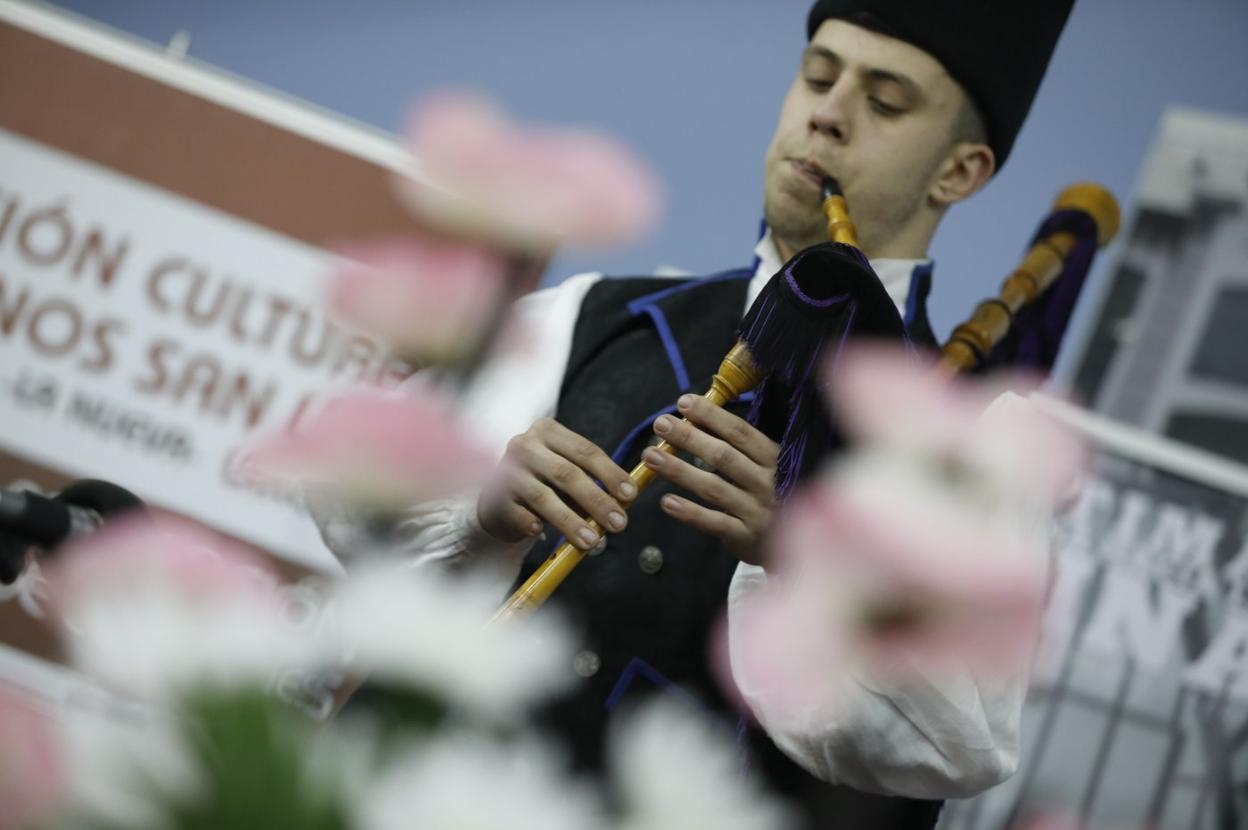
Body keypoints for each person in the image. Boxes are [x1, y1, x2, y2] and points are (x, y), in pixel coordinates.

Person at [316, 1, 1075, 826]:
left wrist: (803, 562)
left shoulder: (971, 451)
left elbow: (963, 742)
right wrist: (482, 513)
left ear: (959, 172)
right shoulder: (593, 316)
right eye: (817, 76)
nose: (827, 114)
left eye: (886, 102)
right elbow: (340, 488)